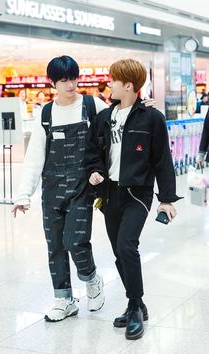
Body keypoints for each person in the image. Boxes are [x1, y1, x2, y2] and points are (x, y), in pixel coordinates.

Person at [85, 58, 181, 340]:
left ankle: (135, 307)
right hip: (109, 194)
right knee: (118, 252)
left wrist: (166, 199)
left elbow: (163, 160)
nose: (109, 84)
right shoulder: (104, 117)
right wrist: (94, 171)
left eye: (113, 80)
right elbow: (93, 152)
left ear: (128, 85)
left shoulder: (151, 117)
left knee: (127, 247)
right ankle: (135, 302)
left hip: (137, 193)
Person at [12, 55, 107, 323]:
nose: (70, 84)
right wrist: (23, 194)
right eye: (63, 79)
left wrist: (142, 109)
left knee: (74, 241)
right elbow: (34, 157)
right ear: (52, 82)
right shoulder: (45, 113)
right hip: (52, 189)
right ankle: (64, 300)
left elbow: (118, 125)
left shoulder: (92, 106)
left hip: (82, 187)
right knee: (54, 246)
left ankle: (91, 278)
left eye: (73, 78)